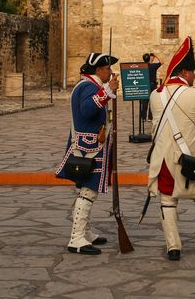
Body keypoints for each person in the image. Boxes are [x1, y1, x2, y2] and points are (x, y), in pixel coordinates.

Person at [147, 37, 195, 261]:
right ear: (186, 73)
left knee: (168, 201)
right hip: (191, 159)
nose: (192, 77)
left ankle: (174, 248)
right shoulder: (194, 94)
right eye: (192, 73)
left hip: (164, 161)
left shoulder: (155, 95)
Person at [56, 52, 119, 255]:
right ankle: (76, 238)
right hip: (88, 148)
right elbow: (87, 109)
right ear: (99, 70)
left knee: (86, 190)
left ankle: (85, 231)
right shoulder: (88, 87)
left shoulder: (91, 86)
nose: (110, 72)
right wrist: (107, 91)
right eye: (108, 68)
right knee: (89, 190)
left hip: (91, 146)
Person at [140, 52, 163, 122]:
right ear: (149, 58)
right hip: (152, 85)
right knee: (152, 101)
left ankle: (143, 117)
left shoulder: (142, 67)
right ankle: (150, 117)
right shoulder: (153, 66)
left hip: (145, 84)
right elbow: (162, 62)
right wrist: (156, 56)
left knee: (145, 101)